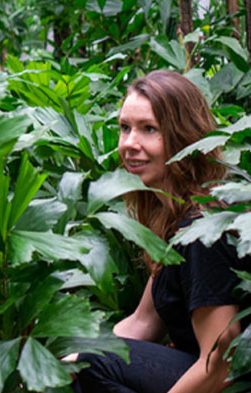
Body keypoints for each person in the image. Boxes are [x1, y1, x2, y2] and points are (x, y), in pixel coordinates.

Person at [70, 70, 250, 393]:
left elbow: (222, 361)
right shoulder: (175, 219)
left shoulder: (201, 231)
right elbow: (143, 322)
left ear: (183, 137)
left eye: (149, 129)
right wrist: (64, 360)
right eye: (125, 128)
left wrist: (89, 358)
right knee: (86, 362)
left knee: (97, 363)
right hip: (199, 371)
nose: (129, 144)